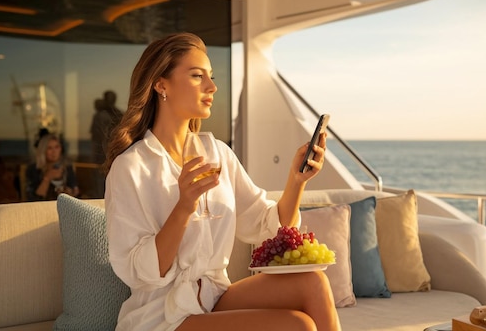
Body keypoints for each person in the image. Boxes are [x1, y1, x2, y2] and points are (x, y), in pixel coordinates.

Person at [103, 32, 340, 331]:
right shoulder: (131, 168)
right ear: (161, 84)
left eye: (211, 77)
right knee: (297, 325)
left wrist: (296, 181)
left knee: (312, 282)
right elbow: (142, 273)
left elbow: (268, 226)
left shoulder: (217, 153)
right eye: (197, 76)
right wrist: (184, 206)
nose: (212, 87)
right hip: (162, 315)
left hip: (213, 297)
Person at [26, 133, 79, 201]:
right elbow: (34, 199)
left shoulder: (67, 167)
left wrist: (70, 193)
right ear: (43, 150)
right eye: (49, 148)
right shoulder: (34, 169)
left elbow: (75, 190)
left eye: (57, 147)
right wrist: (47, 178)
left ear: (61, 149)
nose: (54, 152)